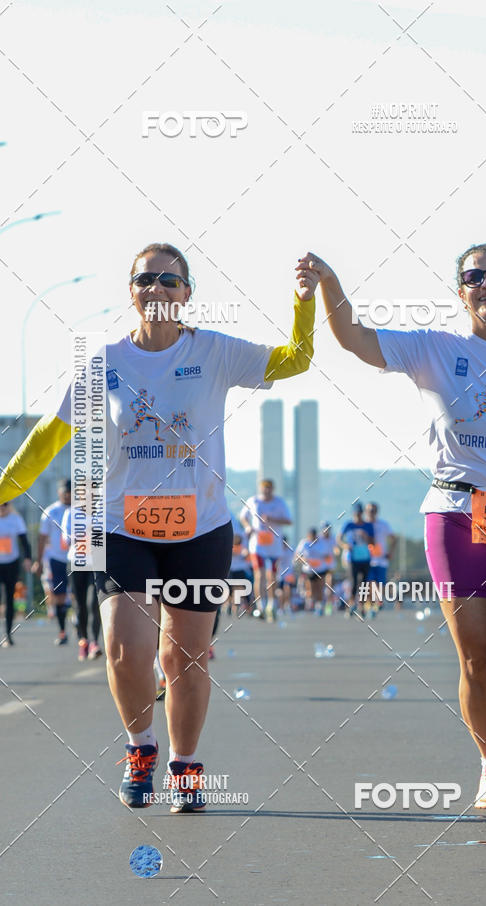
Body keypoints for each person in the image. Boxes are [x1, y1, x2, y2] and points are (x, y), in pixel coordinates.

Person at [0, 242, 317, 812]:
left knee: (183, 658)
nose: (158, 290)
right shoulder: (104, 363)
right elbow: (50, 436)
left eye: (170, 281)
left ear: (187, 293)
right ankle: (140, 747)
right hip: (120, 528)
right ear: (131, 292)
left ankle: (185, 765)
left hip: (201, 529)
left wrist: (304, 301)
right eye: (147, 280)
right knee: (126, 649)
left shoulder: (215, 352)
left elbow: (295, 359)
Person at [300, 245, 486, 808]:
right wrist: (331, 285)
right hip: (457, 513)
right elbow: (355, 339)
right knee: (479, 659)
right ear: (461, 292)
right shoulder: (434, 347)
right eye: (472, 276)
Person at [240, 479, 292, 622]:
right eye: (264, 487)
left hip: (274, 546)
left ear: (273, 489)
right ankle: (261, 606)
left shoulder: (279, 503)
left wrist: (273, 519)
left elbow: (289, 521)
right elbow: (243, 517)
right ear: (260, 488)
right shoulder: (253, 501)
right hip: (257, 545)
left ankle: (271, 605)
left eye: (269, 487)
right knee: (260, 575)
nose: (267, 490)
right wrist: (248, 527)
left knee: (272, 577)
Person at [61, 505, 103, 661]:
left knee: (93, 603)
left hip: (96, 563)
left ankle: (94, 643)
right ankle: (84, 640)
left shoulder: (102, 510)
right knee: (79, 605)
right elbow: (66, 540)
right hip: (76, 563)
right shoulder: (70, 513)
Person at [32, 480, 71, 645]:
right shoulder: (50, 512)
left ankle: (82, 629)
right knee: (59, 595)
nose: (67, 496)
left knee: (78, 595)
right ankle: (62, 631)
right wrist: (39, 561)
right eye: (65, 492)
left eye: (70, 492)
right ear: (59, 493)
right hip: (57, 559)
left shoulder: (82, 510)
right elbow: (42, 538)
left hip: (78, 558)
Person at [0, 502, 32, 646]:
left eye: (4, 504)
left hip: (11, 563)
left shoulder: (16, 519)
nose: (2, 507)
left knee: (9, 599)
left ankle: (8, 634)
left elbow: (24, 541)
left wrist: (28, 558)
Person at [338, 502, 374, 616]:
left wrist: (366, 537)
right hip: (352, 558)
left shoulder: (368, 525)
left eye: (359, 513)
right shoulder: (348, 525)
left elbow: (373, 542)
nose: (357, 516)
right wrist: (345, 545)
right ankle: (351, 604)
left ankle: (361, 606)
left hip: (365, 557)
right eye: (356, 513)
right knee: (353, 582)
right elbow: (339, 539)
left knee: (364, 583)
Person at [364, 502, 397, 615]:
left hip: (381, 560)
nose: (371, 513)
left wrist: (390, 552)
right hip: (367, 560)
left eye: (373, 511)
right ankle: (369, 604)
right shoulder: (363, 525)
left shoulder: (383, 525)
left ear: (377, 512)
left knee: (380, 584)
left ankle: (377, 604)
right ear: (365, 512)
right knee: (369, 584)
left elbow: (393, 539)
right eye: (369, 511)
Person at [294, 527, 329, 614]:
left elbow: (327, 555)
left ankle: (319, 606)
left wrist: (321, 560)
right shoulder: (304, 543)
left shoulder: (321, 543)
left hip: (320, 569)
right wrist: (303, 559)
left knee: (320, 588)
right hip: (309, 570)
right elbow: (297, 555)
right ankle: (311, 604)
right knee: (310, 589)